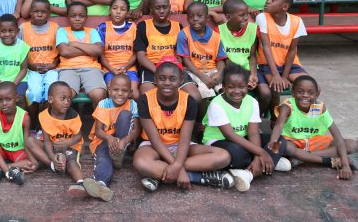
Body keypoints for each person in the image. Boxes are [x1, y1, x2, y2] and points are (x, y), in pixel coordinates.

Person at [133, 62, 234, 191]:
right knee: (141, 163)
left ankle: (159, 175)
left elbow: (185, 139)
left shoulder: (189, 101)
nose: (167, 83)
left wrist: (177, 165)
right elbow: (155, 140)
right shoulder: (145, 100)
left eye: (172, 79)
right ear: (155, 79)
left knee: (223, 156)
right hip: (153, 146)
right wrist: (179, 169)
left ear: (181, 80)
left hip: (181, 145)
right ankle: (196, 176)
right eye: (162, 78)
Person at [202, 63, 291, 192]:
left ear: (247, 87)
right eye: (231, 87)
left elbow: (253, 133)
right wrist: (262, 152)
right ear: (224, 87)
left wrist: (257, 157)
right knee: (238, 152)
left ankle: (249, 172)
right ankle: (269, 163)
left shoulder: (252, 102)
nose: (237, 91)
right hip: (219, 142)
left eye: (241, 87)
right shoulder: (217, 104)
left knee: (279, 141)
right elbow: (230, 136)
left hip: (244, 139)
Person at [29, 81, 112, 201]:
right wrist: (52, 157)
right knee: (30, 141)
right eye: (63, 98)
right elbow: (46, 141)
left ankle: (81, 183)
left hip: (70, 146)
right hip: (52, 146)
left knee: (71, 162)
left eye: (69, 99)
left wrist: (66, 143)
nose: (67, 102)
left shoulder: (73, 116)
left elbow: (78, 136)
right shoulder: (43, 116)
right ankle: (53, 165)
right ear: (50, 99)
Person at [269, 76, 358, 180]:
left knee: (352, 145)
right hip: (294, 142)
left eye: (310, 93)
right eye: (300, 92)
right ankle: (327, 161)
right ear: (293, 92)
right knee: (286, 147)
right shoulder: (288, 106)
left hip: (315, 142)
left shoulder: (320, 107)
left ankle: (302, 158)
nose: (305, 95)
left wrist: (345, 165)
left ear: (317, 95)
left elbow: (337, 136)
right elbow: (278, 126)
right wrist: (273, 142)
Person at [135, 0, 198, 102]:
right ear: (151, 9)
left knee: (195, 97)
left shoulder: (178, 26)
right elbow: (141, 57)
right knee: (147, 97)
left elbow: (179, 54)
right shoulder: (143, 26)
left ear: (169, 8)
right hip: (151, 68)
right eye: (157, 8)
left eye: (165, 7)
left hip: (173, 68)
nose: (161, 11)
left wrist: (175, 67)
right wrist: (159, 71)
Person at [256, 0, 308, 118]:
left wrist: (284, 76)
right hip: (268, 64)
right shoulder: (262, 17)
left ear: (285, 6)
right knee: (276, 87)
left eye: (272, 0)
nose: (267, 1)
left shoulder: (297, 21)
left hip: (290, 65)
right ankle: (275, 119)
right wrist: (276, 75)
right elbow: (266, 47)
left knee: (308, 85)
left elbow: (292, 51)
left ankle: (303, 119)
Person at [215, 0, 270, 115]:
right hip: (229, 70)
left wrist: (253, 75)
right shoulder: (218, 31)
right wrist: (245, 76)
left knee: (265, 93)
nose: (246, 17)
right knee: (230, 92)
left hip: (249, 69)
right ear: (228, 17)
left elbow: (252, 56)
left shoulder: (252, 29)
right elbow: (224, 59)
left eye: (247, 14)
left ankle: (255, 118)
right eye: (242, 15)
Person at [88, 74, 140, 189]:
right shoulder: (103, 104)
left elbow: (137, 130)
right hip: (105, 139)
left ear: (130, 93)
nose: (120, 93)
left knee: (125, 115)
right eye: (115, 90)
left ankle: (119, 154)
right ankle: (101, 183)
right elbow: (98, 130)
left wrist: (123, 141)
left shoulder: (133, 105)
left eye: (124, 91)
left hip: (124, 141)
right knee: (103, 158)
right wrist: (110, 139)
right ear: (109, 91)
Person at [19, 0, 60, 135]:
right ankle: (32, 125)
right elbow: (18, 51)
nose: (40, 14)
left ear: (49, 13)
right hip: (31, 70)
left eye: (43, 12)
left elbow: (61, 50)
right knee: (34, 92)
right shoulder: (23, 28)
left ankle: (46, 126)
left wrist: (53, 64)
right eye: (36, 11)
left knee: (51, 92)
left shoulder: (55, 28)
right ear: (30, 12)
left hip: (51, 69)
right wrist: (30, 65)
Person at [56, 1, 107, 109]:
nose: (77, 19)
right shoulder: (62, 31)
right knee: (64, 96)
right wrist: (89, 49)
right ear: (67, 17)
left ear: (86, 17)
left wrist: (76, 44)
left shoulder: (92, 31)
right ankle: (69, 120)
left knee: (99, 95)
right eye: (73, 16)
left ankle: (97, 120)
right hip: (68, 69)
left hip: (91, 69)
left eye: (81, 16)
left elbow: (98, 50)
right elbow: (64, 51)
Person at [177, 1, 227, 100]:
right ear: (187, 19)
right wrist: (202, 77)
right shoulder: (184, 35)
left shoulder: (216, 36)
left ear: (207, 18)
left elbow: (220, 60)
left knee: (223, 88)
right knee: (205, 91)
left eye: (199, 16)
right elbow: (186, 60)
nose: (195, 19)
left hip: (212, 70)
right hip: (193, 71)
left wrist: (219, 74)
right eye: (191, 16)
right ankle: (207, 105)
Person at [98, 0, 138, 99]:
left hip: (129, 68)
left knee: (134, 93)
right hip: (109, 68)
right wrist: (112, 69)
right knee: (113, 93)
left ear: (127, 13)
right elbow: (101, 54)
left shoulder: (133, 27)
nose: (118, 12)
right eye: (115, 8)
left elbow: (136, 53)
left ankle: (132, 110)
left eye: (122, 9)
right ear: (109, 10)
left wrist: (125, 67)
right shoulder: (103, 28)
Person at [0, 13, 30, 109]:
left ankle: (22, 118)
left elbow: (24, 69)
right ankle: (0, 119)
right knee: (0, 100)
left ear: (17, 31)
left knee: (20, 98)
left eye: (11, 31)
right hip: (1, 81)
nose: (7, 34)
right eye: (3, 31)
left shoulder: (23, 46)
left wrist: (14, 83)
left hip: (19, 81)